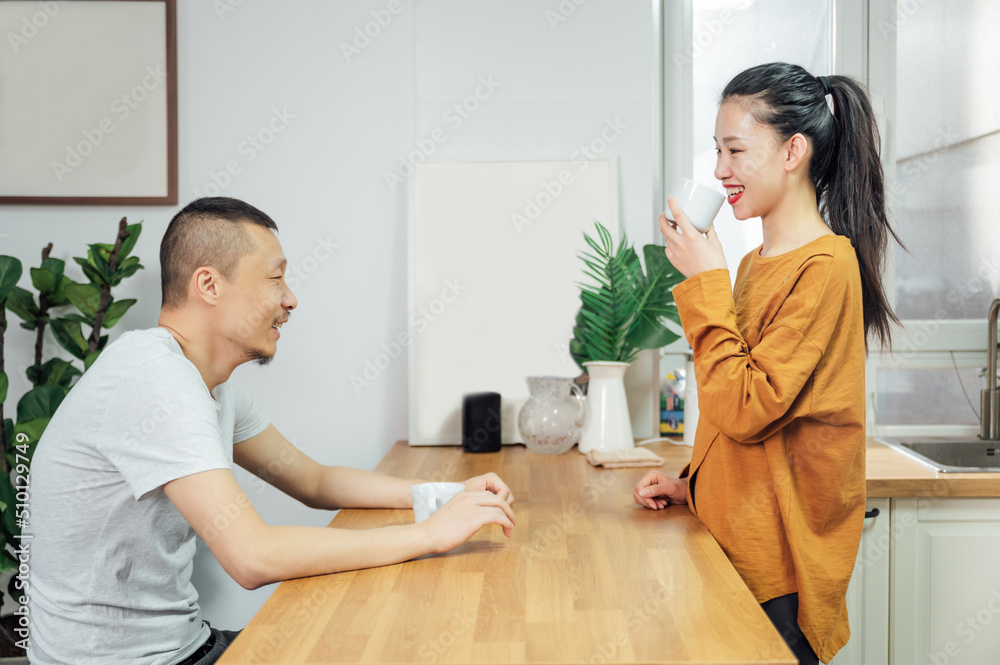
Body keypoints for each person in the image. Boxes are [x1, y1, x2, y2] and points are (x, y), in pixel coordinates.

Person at [25, 197, 517, 665]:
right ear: (209, 285)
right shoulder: (155, 381)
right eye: (276, 278)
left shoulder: (207, 383)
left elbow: (313, 481)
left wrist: (444, 494)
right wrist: (429, 535)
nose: (291, 299)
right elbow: (252, 557)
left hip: (187, 647)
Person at [633, 62, 902, 664]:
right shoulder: (755, 264)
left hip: (776, 569)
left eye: (735, 150)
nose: (719, 170)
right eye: (716, 151)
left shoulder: (826, 267)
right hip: (734, 546)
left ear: (792, 152)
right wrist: (695, 485)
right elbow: (737, 407)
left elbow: (748, 408)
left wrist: (706, 282)